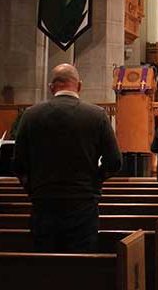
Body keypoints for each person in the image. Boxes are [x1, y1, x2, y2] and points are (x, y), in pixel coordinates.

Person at [13, 63, 122, 253]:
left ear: (51, 87)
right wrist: (95, 181)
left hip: (44, 203)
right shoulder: (97, 115)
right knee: (80, 265)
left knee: (45, 266)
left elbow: (18, 164)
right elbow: (114, 162)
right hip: (83, 203)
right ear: (79, 86)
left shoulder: (30, 115)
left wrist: (34, 188)